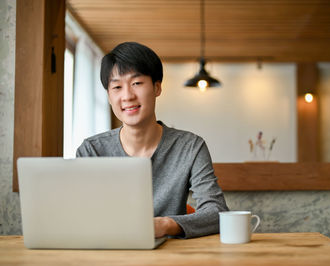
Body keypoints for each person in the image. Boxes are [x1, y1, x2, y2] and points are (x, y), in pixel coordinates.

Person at [76, 42, 229, 239]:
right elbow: (81, 216)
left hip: (173, 255)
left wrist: (166, 225)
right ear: (108, 96)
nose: (127, 96)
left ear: (157, 87)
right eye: (116, 87)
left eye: (136, 83)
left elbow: (216, 212)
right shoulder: (91, 151)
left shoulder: (190, 147)